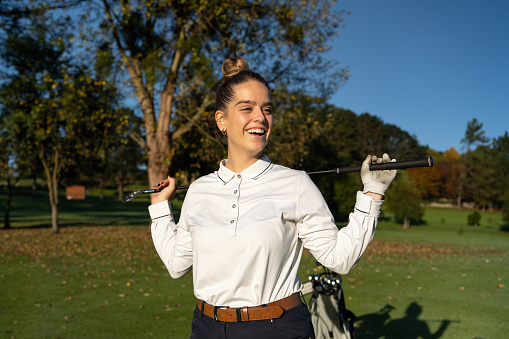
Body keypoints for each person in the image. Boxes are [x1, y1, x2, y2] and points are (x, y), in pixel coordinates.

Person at [148, 57, 397, 339]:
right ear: (222, 120)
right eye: (247, 109)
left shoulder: (295, 183)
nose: (260, 118)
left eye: (267, 109)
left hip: (277, 328)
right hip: (207, 328)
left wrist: (372, 194)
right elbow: (176, 263)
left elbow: (339, 259)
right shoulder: (199, 190)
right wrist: (159, 207)